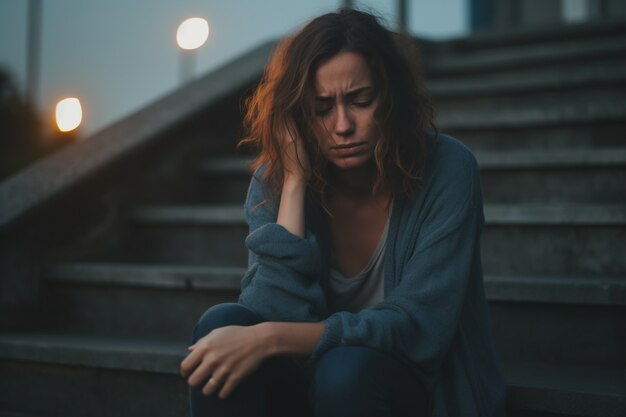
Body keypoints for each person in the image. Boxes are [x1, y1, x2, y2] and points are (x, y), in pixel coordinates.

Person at [180, 8, 506, 417]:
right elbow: (269, 309)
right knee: (222, 324)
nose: (342, 125)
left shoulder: (448, 168)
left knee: (344, 369)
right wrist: (296, 182)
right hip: (314, 380)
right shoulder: (276, 180)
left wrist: (270, 338)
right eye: (320, 109)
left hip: (410, 385)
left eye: (360, 100)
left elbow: (418, 327)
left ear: (391, 97)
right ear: (298, 115)